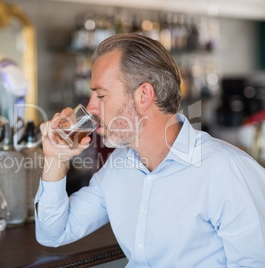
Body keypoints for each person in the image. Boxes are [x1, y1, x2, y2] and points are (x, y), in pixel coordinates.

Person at [35, 33, 265, 267]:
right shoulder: (119, 167)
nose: (90, 107)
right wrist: (56, 159)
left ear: (143, 95)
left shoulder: (228, 171)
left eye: (101, 95)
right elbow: (53, 233)